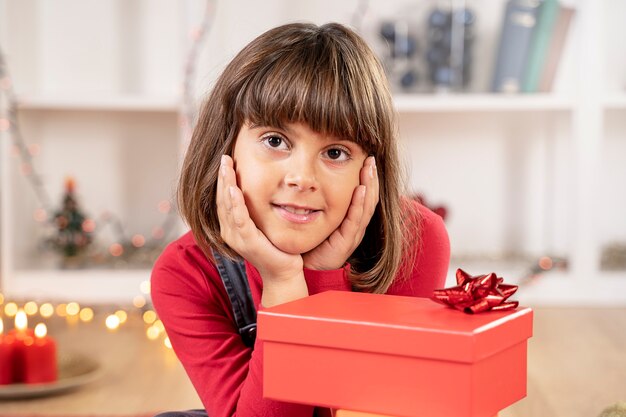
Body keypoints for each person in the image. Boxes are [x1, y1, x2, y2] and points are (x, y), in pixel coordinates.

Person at [151, 22, 450, 417]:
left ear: (369, 168)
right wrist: (283, 281)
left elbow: (362, 410)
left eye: (336, 153)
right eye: (275, 141)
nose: (302, 178)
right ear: (226, 147)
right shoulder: (185, 273)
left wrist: (320, 278)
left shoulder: (416, 241)